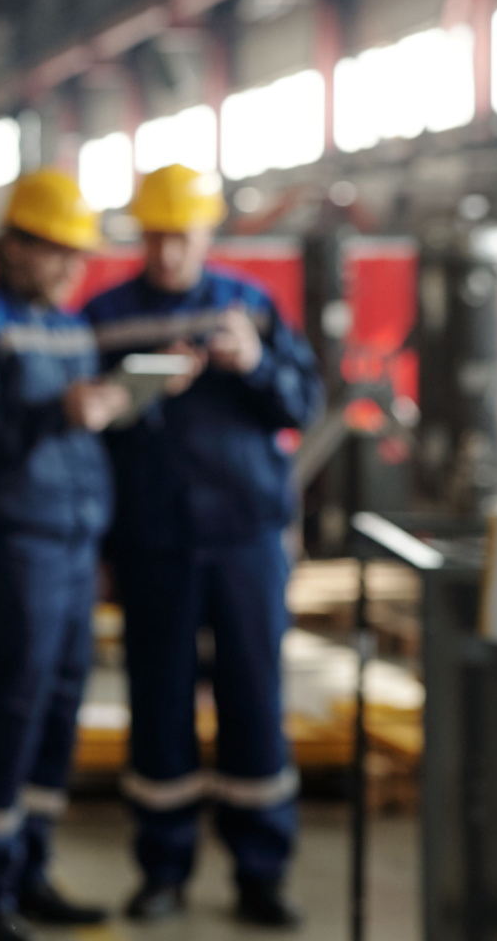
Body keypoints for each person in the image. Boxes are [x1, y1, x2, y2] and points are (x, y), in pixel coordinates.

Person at [82, 164, 322, 926]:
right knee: (159, 703)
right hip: (154, 540)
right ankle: (163, 868)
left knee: (255, 697)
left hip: (246, 536)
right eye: (154, 236)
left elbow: (304, 401)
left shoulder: (248, 305)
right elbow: (92, 436)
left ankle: (261, 871)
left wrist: (254, 361)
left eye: (180, 237)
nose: (167, 252)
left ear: (208, 234)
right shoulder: (105, 316)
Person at [0, 170, 131, 941]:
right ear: (13, 245)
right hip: (18, 548)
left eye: (76, 255)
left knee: (58, 714)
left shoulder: (76, 327)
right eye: (56, 252)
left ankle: (30, 873)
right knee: (9, 713)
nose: (70, 267)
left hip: (77, 544)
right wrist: (60, 414)